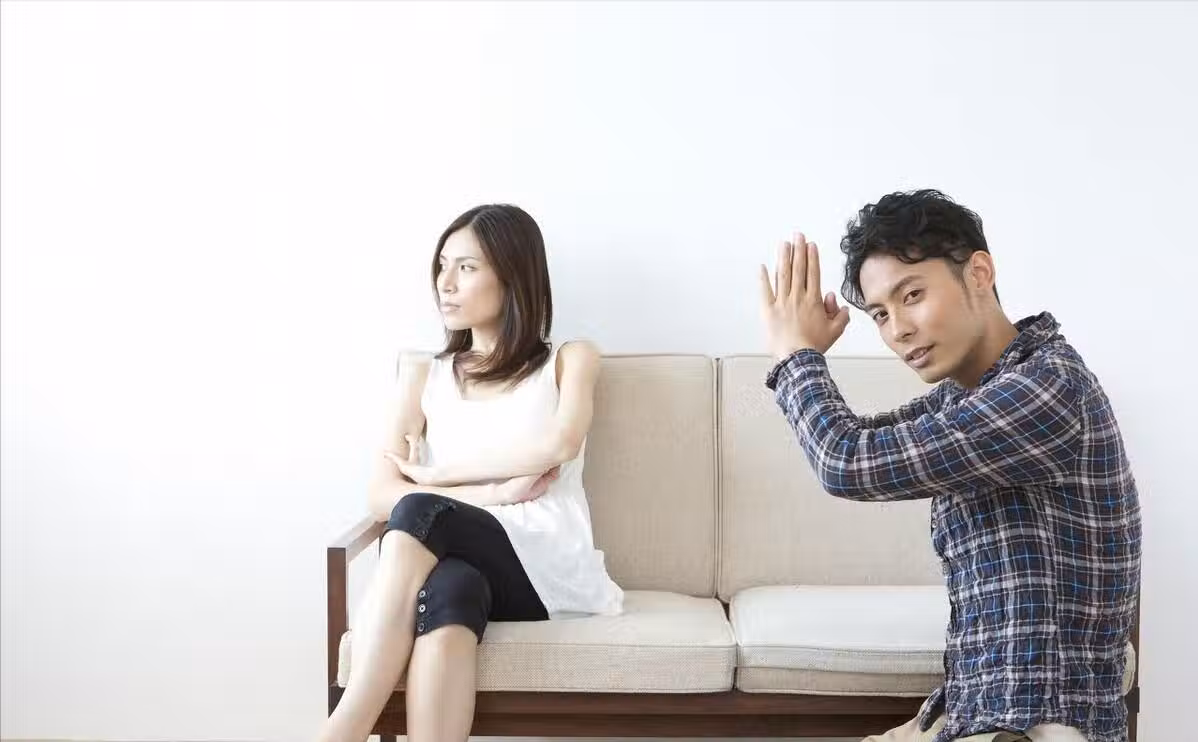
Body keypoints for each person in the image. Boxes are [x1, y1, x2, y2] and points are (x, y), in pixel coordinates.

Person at [757, 190, 1141, 742]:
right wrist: (800, 354)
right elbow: (859, 441)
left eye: (912, 295)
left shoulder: (1048, 388)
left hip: (1037, 726)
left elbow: (846, 462)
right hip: (973, 714)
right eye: (881, 314)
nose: (898, 330)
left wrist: (796, 356)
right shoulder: (966, 397)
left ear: (979, 273)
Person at [319, 204, 623, 742]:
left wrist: (439, 478)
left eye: (466, 267)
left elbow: (561, 443)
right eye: (442, 266)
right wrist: (493, 492)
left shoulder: (571, 358)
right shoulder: (423, 375)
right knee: (450, 588)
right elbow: (381, 493)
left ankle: (344, 729)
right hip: (457, 557)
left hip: (540, 562)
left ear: (513, 276)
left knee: (421, 509)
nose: (446, 283)